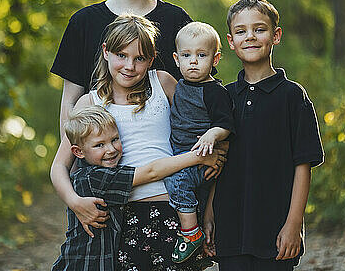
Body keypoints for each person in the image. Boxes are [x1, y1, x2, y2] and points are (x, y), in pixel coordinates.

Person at [50, 0, 196, 237]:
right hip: (101, 177)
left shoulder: (176, 21)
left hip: (168, 185)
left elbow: (197, 97)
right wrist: (77, 180)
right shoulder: (84, 23)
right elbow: (70, 101)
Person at [58, 14, 219, 270]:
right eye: (121, 55)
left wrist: (209, 210)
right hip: (121, 218)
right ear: (106, 52)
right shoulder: (90, 102)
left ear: (151, 59)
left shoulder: (163, 83)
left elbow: (206, 130)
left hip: (176, 211)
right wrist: (74, 201)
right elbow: (59, 167)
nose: (129, 66)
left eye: (139, 58)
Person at [203, 0, 324, 271]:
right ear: (230, 41)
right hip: (230, 227)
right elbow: (215, 164)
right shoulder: (223, 97)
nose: (250, 37)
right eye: (241, 31)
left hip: (275, 229)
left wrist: (293, 224)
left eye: (259, 29)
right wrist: (208, 213)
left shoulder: (293, 97)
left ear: (275, 35)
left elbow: (303, 165)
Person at [51, 105, 225, 271]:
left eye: (115, 140)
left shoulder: (99, 173)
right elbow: (151, 172)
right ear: (78, 152)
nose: (111, 149)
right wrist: (198, 157)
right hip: (85, 263)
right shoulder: (94, 178)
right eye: (99, 145)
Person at [162, 22, 234, 263]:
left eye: (201, 55)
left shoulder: (214, 91)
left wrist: (212, 135)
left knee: (176, 181)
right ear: (176, 58)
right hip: (182, 157)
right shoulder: (180, 85)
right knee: (199, 205)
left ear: (215, 59)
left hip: (202, 158)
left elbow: (226, 124)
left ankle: (191, 234)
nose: (193, 61)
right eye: (186, 55)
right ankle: (204, 245)